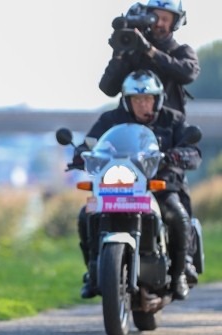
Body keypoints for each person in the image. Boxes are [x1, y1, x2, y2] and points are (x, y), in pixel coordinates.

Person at [75, 70, 201, 301]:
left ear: (157, 99)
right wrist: (81, 152)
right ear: (127, 100)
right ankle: (93, 272)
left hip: (159, 186)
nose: (143, 104)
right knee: (86, 214)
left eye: (147, 98)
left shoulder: (173, 120)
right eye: (136, 99)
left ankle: (178, 274)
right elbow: (90, 143)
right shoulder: (110, 120)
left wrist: (176, 156)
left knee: (177, 216)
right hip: (117, 185)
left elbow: (193, 152)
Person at [99, 0, 200, 115]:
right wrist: (118, 55)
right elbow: (108, 89)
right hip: (131, 127)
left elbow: (188, 73)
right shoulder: (133, 52)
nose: (159, 23)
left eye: (165, 19)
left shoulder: (181, 51)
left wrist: (150, 51)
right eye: (154, 18)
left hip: (168, 128)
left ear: (175, 22)